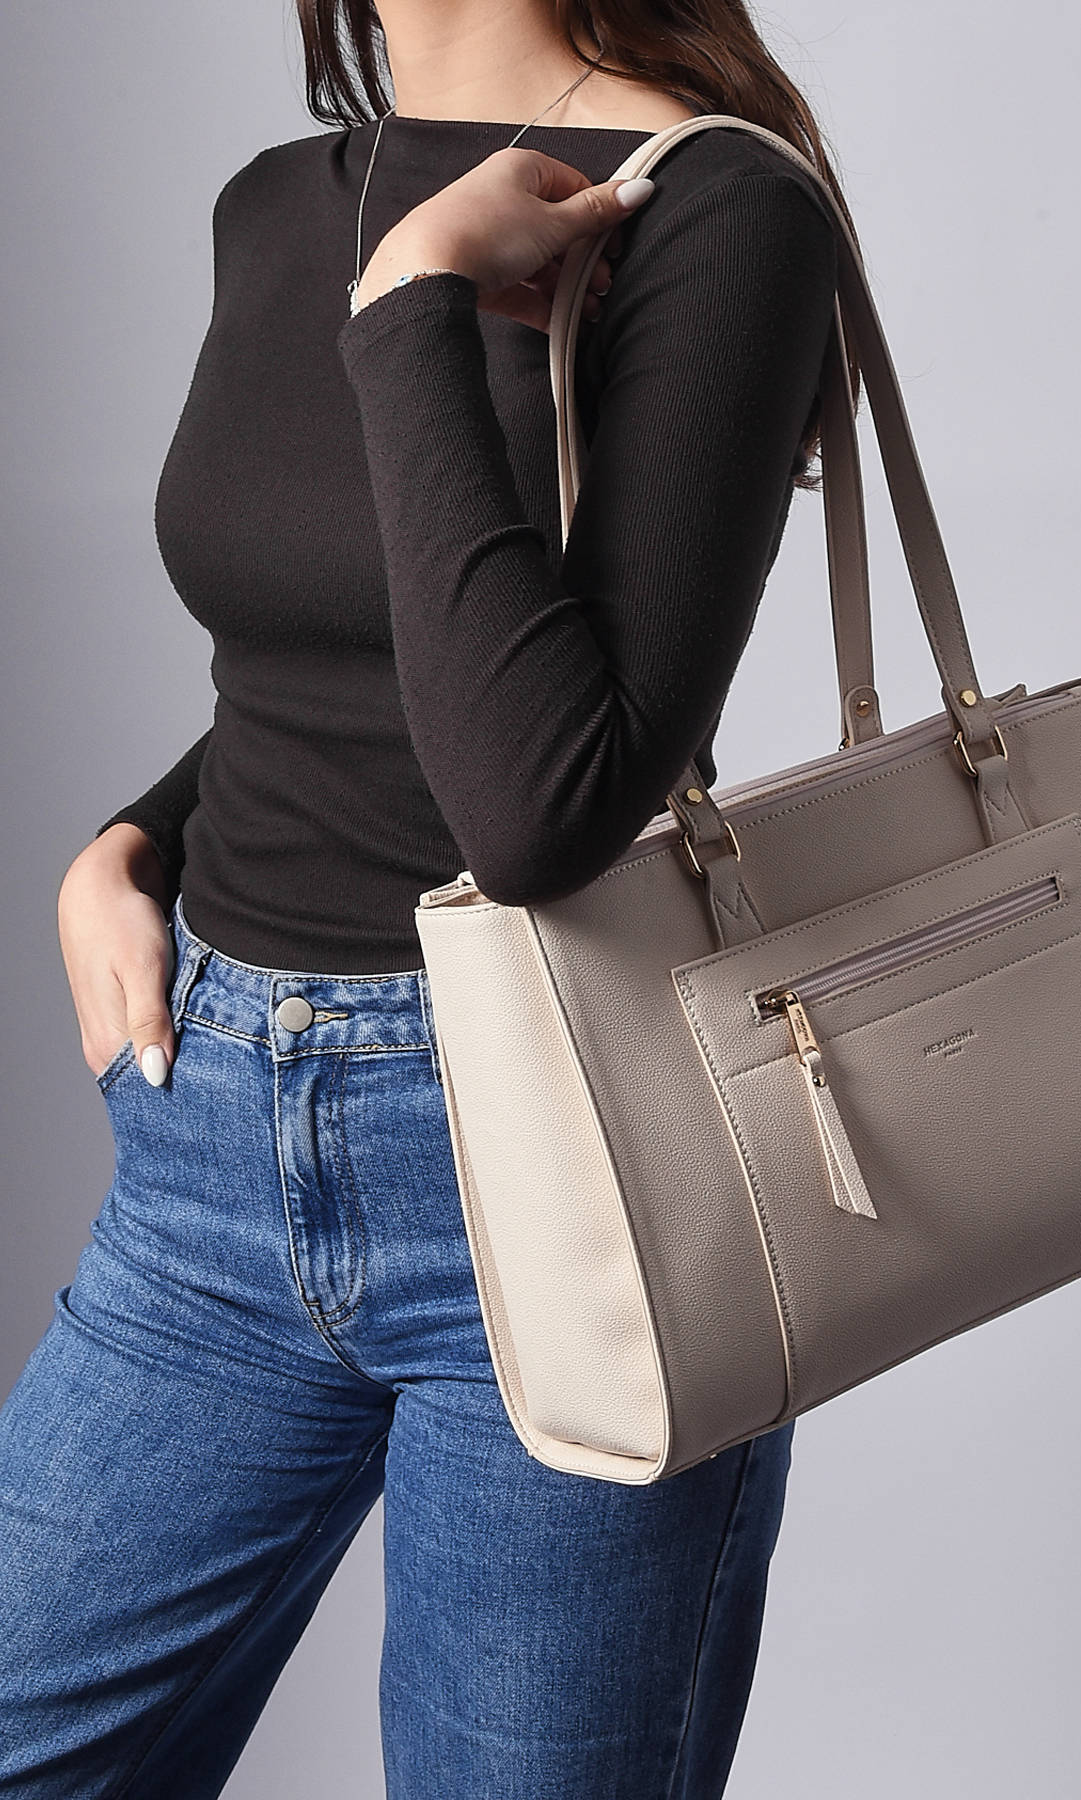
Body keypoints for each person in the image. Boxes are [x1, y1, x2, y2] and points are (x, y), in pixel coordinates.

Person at [0, 0, 859, 1792]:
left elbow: (548, 800)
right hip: (206, 1148)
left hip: (561, 1174)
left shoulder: (708, 207)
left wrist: (410, 310)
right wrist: (132, 839)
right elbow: (330, 655)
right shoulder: (273, 204)